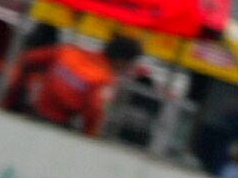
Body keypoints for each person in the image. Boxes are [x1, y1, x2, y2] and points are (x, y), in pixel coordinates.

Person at [10, 33, 142, 137]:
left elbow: (27, 58)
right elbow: (94, 114)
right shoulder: (104, 80)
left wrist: (17, 93)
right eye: (129, 65)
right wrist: (88, 141)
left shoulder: (69, 52)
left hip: (31, 113)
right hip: (57, 128)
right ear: (121, 61)